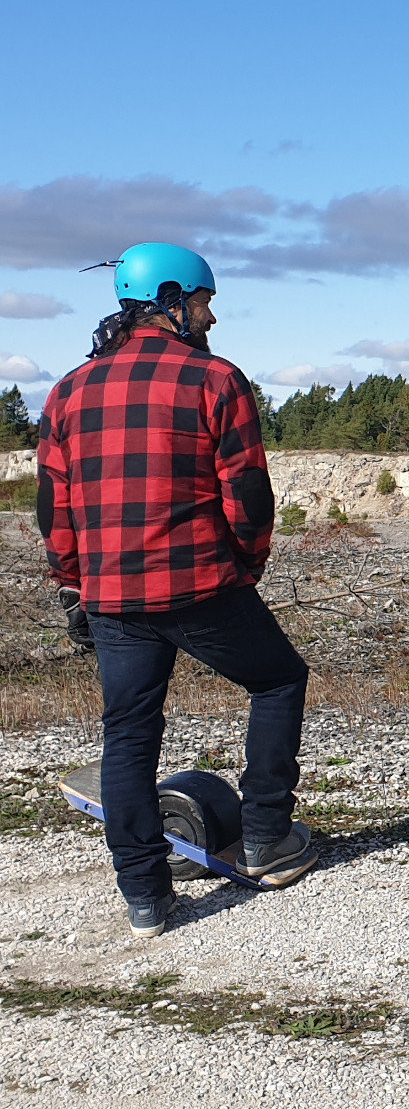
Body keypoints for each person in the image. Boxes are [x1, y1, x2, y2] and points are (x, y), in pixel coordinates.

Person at [37, 242, 314, 938]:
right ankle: (266, 838)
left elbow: (54, 506)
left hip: (112, 595)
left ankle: (145, 898)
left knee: (129, 733)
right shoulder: (215, 380)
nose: (212, 317)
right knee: (278, 680)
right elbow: (247, 493)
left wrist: (76, 586)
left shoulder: (68, 390)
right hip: (198, 584)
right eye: (204, 302)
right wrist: (245, 568)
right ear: (169, 298)